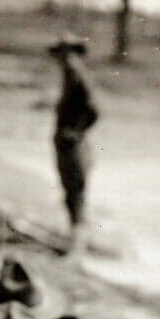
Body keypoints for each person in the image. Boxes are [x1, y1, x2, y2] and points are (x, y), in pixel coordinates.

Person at [48, 35, 100, 257]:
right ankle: (76, 242)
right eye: (61, 53)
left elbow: (94, 110)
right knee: (70, 194)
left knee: (76, 195)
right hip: (67, 145)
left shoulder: (78, 76)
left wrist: (76, 132)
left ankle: (77, 250)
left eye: (68, 53)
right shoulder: (70, 76)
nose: (64, 58)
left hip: (75, 147)